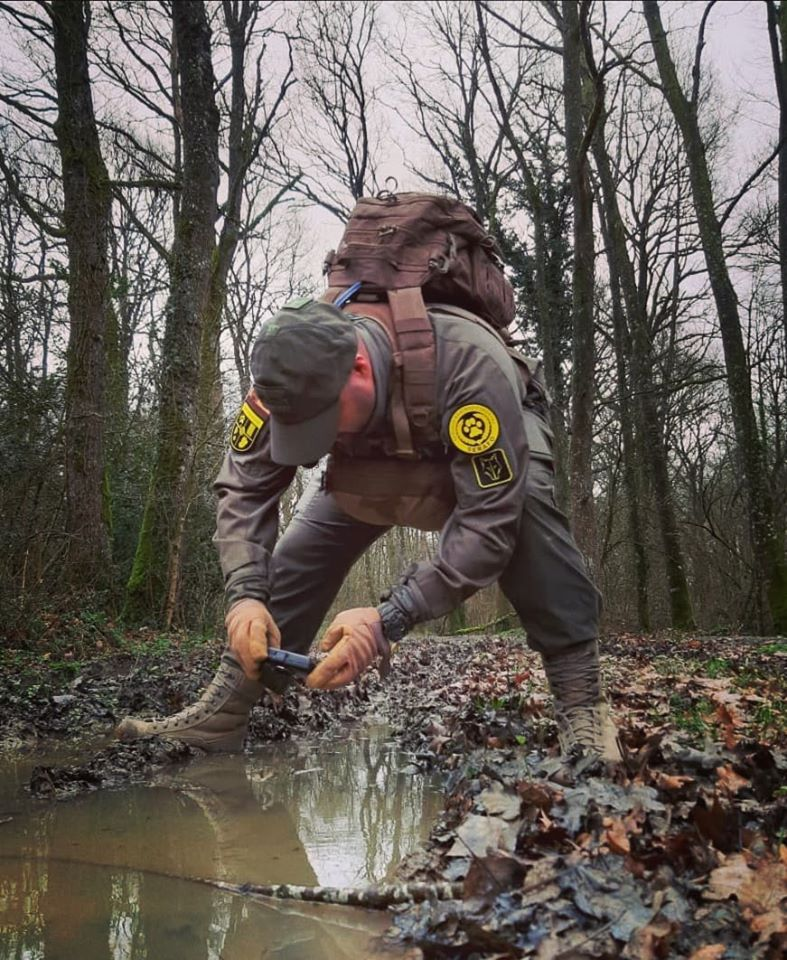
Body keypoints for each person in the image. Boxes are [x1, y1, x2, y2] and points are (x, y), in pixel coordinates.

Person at [117, 295, 621, 762]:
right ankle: (225, 712)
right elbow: (244, 484)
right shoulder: (285, 378)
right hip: (373, 459)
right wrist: (245, 596)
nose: (318, 438)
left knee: (527, 513)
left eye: (323, 420)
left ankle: (582, 708)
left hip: (489, 437)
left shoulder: (470, 367)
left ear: (358, 365)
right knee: (295, 557)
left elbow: (489, 523)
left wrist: (388, 620)